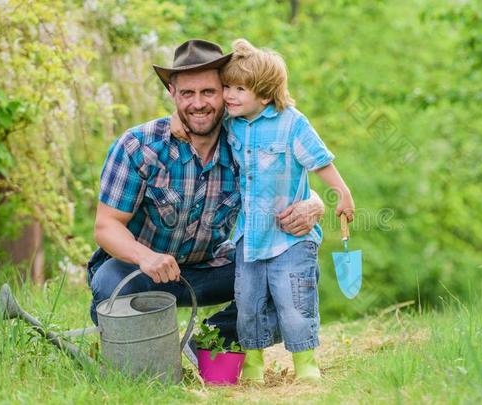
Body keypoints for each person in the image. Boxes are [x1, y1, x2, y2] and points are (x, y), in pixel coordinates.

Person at [87, 39, 325, 348]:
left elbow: (290, 180)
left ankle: (206, 343)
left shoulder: (245, 143)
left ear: (226, 93)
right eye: (187, 93)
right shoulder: (140, 145)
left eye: (208, 92)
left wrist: (314, 203)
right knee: (109, 282)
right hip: (142, 269)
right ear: (173, 93)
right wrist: (146, 257)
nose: (198, 103)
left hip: (211, 269)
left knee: (296, 269)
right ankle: (146, 354)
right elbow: (106, 226)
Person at [171, 39, 355, 382]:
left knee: (295, 301)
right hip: (249, 236)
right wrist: (175, 118)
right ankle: (252, 364)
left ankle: (306, 363)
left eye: (239, 88)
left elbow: (320, 161)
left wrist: (340, 193)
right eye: (227, 86)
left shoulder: (292, 124)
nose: (229, 95)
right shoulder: (232, 123)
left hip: (289, 237)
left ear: (266, 95)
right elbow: (197, 115)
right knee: (249, 305)